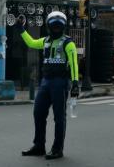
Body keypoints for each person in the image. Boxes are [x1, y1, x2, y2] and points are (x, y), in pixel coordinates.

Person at [18, 11, 79, 160]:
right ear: (48, 26)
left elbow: (73, 63)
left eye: (59, 25)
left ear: (63, 27)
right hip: (46, 82)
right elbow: (31, 42)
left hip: (60, 82)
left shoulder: (68, 42)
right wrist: (21, 29)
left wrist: (75, 83)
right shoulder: (45, 41)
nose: (56, 28)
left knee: (59, 118)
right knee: (38, 113)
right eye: (53, 25)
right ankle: (39, 146)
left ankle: (57, 149)